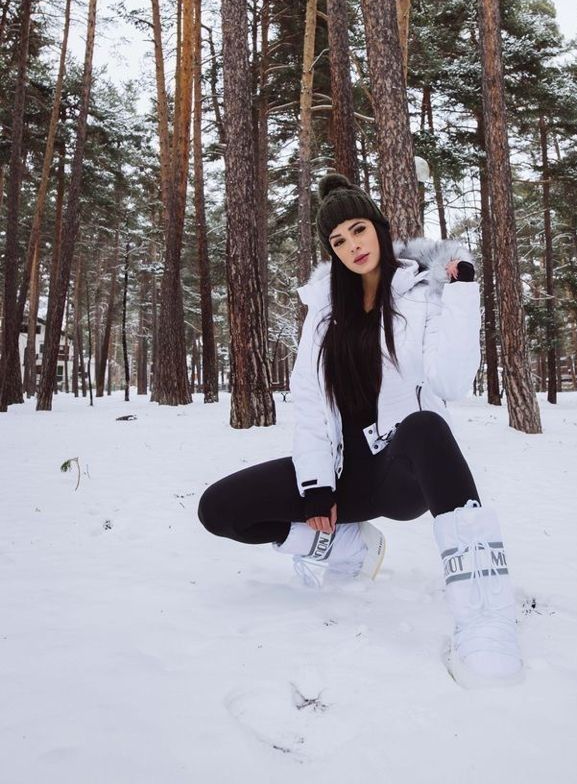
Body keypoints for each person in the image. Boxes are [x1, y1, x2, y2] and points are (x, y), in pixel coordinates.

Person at [198, 173, 522, 685]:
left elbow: (451, 381)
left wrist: (460, 294)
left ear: (378, 227)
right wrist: (316, 485)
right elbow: (309, 403)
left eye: (358, 230)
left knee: (425, 426)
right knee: (219, 508)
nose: (353, 246)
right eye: (338, 240)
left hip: (400, 473)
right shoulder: (324, 315)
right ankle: (350, 547)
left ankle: (484, 614)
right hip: (343, 474)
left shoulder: (421, 291)